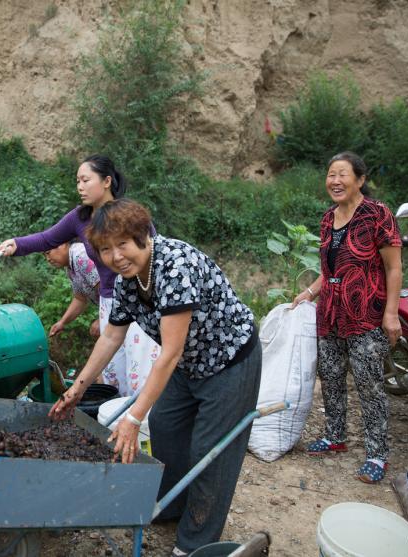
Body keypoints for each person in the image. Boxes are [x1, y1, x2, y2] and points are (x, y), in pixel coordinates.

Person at [50, 199, 261, 556]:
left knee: (210, 451)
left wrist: (132, 419)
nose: (116, 256)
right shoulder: (127, 282)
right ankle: (173, 506)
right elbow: (111, 336)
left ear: (143, 237)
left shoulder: (174, 266)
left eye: (123, 244)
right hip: (187, 364)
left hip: (228, 362)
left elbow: (170, 352)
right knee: (164, 423)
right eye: (105, 249)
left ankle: (196, 541)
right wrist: (77, 389)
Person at [0, 154, 158, 393]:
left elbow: (155, 252)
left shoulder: (129, 214)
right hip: (109, 303)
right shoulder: (80, 217)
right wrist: (16, 244)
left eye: (85, 180)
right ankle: (116, 424)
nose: (80, 187)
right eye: (77, 181)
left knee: (140, 370)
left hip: (139, 300)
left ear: (106, 181)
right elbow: (46, 238)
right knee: (113, 373)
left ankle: (143, 424)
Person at [292, 151, 402, 484]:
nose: (335, 181)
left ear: (360, 179)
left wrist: (392, 313)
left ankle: (377, 453)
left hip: (367, 313)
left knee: (369, 385)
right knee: (332, 376)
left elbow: (393, 267)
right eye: (330, 174)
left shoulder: (377, 213)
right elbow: (330, 270)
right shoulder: (328, 219)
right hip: (331, 314)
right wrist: (309, 293)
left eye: (342, 174)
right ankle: (335, 435)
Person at [46, 241, 159, 395]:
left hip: (123, 307)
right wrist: (63, 322)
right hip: (112, 311)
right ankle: (118, 398)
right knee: (113, 362)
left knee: (133, 360)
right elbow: (80, 299)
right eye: (44, 255)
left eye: (48, 252)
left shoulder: (81, 257)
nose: (48, 258)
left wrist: (102, 319)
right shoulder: (71, 268)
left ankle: (133, 401)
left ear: (64, 244)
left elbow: (105, 285)